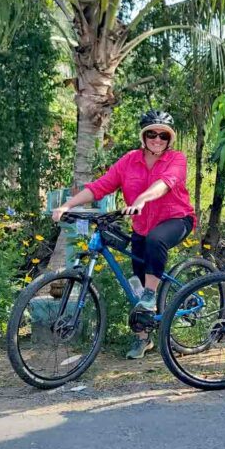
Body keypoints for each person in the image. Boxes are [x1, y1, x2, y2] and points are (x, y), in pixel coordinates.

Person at [51, 109, 196, 359]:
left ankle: (152, 296)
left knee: (156, 241)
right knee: (137, 282)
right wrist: (68, 205)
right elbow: (100, 186)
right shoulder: (129, 160)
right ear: (143, 136)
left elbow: (165, 184)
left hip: (176, 219)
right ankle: (143, 338)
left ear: (169, 139)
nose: (157, 140)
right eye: (152, 134)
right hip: (142, 225)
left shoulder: (177, 159)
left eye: (163, 136)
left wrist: (141, 198)